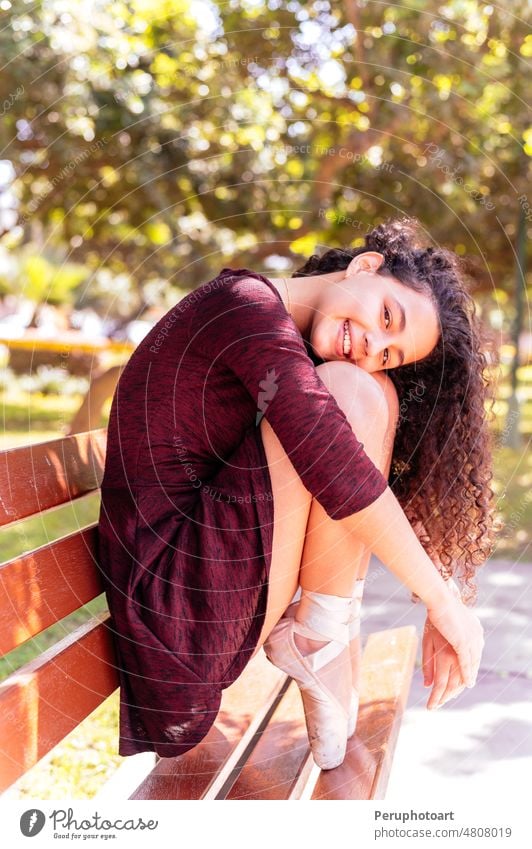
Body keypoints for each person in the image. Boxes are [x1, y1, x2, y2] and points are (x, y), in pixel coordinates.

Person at [97, 217, 496, 771]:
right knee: (351, 392)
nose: (372, 345)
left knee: (369, 392)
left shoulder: (288, 339)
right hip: (174, 619)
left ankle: (327, 634)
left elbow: (368, 478)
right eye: (386, 316)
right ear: (365, 265)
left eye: (390, 351)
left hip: (203, 603)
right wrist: (443, 604)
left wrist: (445, 593)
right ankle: (320, 639)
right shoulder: (242, 307)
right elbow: (337, 467)